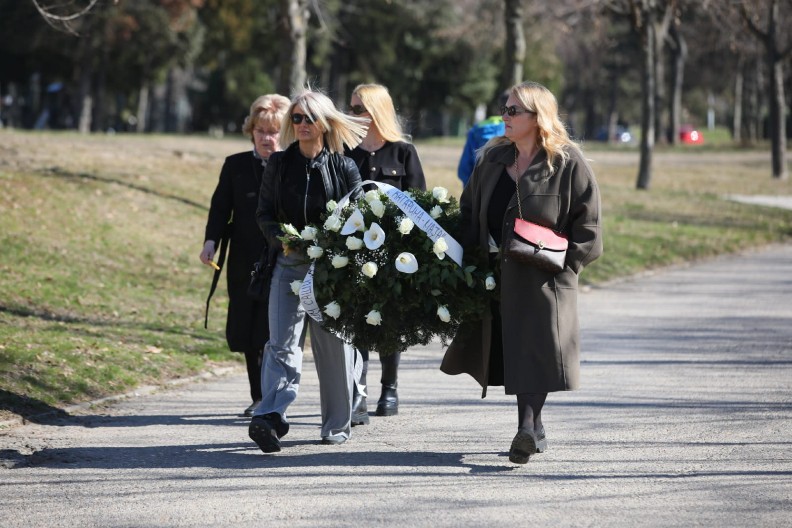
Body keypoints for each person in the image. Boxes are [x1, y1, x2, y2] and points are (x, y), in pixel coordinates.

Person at [440, 81, 602, 464]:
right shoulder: (491, 160)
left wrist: (564, 267)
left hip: (545, 277)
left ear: (537, 117)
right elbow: (468, 214)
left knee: (538, 349)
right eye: (504, 108)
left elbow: (590, 228)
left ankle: (526, 428)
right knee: (514, 350)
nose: (505, 117)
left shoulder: (566, 162)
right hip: (495, 274)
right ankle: (534, 427)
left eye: (514, 111)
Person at [249, 87, 368, 452]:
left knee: (333, 348)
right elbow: (264, 213)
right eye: (296, 118)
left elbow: (359, 219)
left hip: (332, 269)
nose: (301, 124)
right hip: (288, 263)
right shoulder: (280, 164)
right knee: (281, 344)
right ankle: (270, 417)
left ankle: (336, 425)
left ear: (325, 123)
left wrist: (337, 248)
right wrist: (280, 239)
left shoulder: (344, 166)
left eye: (309, 118)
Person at [200, 94, 291, 417]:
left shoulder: (293, 166)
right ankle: (257, 396)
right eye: (261, 131)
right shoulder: (235, 165)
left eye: (274, 132)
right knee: (247, 331)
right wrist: (211, 240)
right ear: (251, 132)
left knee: (272, 332)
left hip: (281, 259)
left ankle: (272, 397)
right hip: (242, 260)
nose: (267, 138)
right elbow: (220, 206)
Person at [344, 83, 427, 424]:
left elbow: (421, 203)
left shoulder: (403, 152)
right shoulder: (346, 153)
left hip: (395, 250)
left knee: (389, 318)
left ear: (377, 111)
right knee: (357, 318)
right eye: (350, 107)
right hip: (354, 247)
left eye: (359, 109)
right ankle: (356, 392)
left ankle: (389, 388)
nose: (352, 115)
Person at [456, 91, 509, 187]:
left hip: (476, 187)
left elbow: (464, 168)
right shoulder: (513, 130)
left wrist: (471, 191)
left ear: (498, 107)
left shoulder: (476, 129)